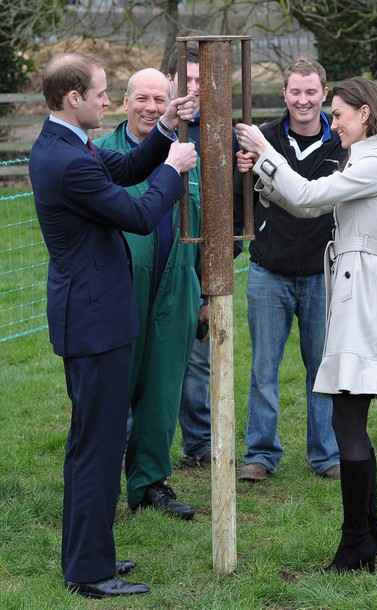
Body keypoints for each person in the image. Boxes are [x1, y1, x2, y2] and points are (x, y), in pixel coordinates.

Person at [29, 53, 197, 598]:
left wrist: (165, 131)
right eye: (101, 93)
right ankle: (88, 571)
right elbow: (138, 213)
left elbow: (123, 170)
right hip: (95, 322)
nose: (107, 101)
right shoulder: (69, 160)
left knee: (92, 445)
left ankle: (91, 554)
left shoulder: (68, 147)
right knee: (96, 448)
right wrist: (174, 170)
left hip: (95, 317)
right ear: (73, 98)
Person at [236, 77, 377, 573]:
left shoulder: (376, 161)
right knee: (349, 418)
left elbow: (310, 196)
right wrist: (268, 173)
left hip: (363, 292)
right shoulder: (368, 157)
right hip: (357, 287)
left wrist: (265, 148)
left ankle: (356, 544)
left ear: (365, 115)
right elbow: (303, 200)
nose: (333, 123)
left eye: (339, 114)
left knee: (347, 421)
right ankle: (371, 532)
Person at [95, 68, 201, 517]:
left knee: (162, 390)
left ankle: (150, 484)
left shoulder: (187, 155)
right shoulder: (101, 154)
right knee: (110, 391)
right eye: (143, 98)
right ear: (124, 101)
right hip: (118, 289)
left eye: (161, 100)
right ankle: (98, 487)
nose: (151, 108)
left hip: (174, 287)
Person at [238, 57, 345, 482]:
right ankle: (260, 455)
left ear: (324, 94)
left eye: (311, 92)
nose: (303, 100)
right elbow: (236, 197)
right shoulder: (260, 139)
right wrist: (239, 169)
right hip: (269, 271)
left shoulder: (342, 142)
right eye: (295, 92)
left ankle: (326, 454)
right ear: (284, 94)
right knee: (264, 369)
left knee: (322, 369)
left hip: (323, 272)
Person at [165, 45, 243, 468]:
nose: (193, 90)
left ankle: (198, 444)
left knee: (198, 362)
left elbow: (231, 204)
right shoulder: (159, 132)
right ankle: (136, 445)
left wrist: (219, 270)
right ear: (172, 81)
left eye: (200, 81)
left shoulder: (220, 134)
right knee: (150, 362)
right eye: (186, 81)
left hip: (202, 266)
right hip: (160, 260)